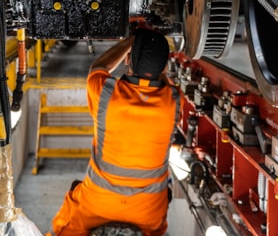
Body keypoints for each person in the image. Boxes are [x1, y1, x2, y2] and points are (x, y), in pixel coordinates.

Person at [49, 28, 181, 236]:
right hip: (148, 211)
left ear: (127, 59)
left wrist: (132, 40)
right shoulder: (172, 102)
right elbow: (166, 84)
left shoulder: (107, 95)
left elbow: (99, 67)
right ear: (165, 66)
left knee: (64, 229)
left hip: (99, 204)